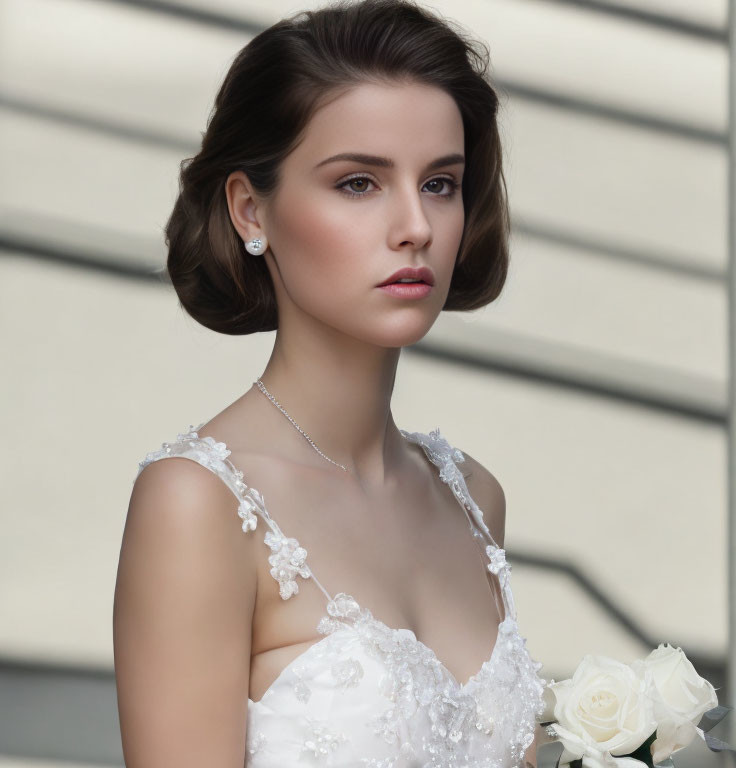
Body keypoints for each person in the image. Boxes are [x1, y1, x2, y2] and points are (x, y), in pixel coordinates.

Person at [112, 0, 548, 764]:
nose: (415, 224)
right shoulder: (199, 502)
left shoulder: (475, 499)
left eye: (440, 183)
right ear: (251, 210)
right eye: (358, 184)